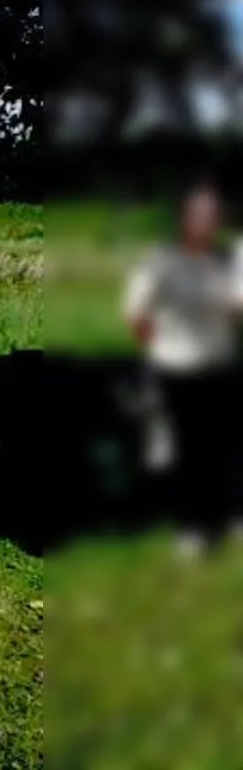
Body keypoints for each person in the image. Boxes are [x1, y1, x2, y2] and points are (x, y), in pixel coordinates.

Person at [122, 180, 243, 554]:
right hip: (175, 370)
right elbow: (136, 314)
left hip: (219, 367)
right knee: (187, 452)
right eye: (198, 214)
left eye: (211, 215)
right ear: (183, 218)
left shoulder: (227, 258)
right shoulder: (161, 260)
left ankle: (227, 517)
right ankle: (192, 527)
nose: (205, 221)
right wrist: (163, 350)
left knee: (222, 448)